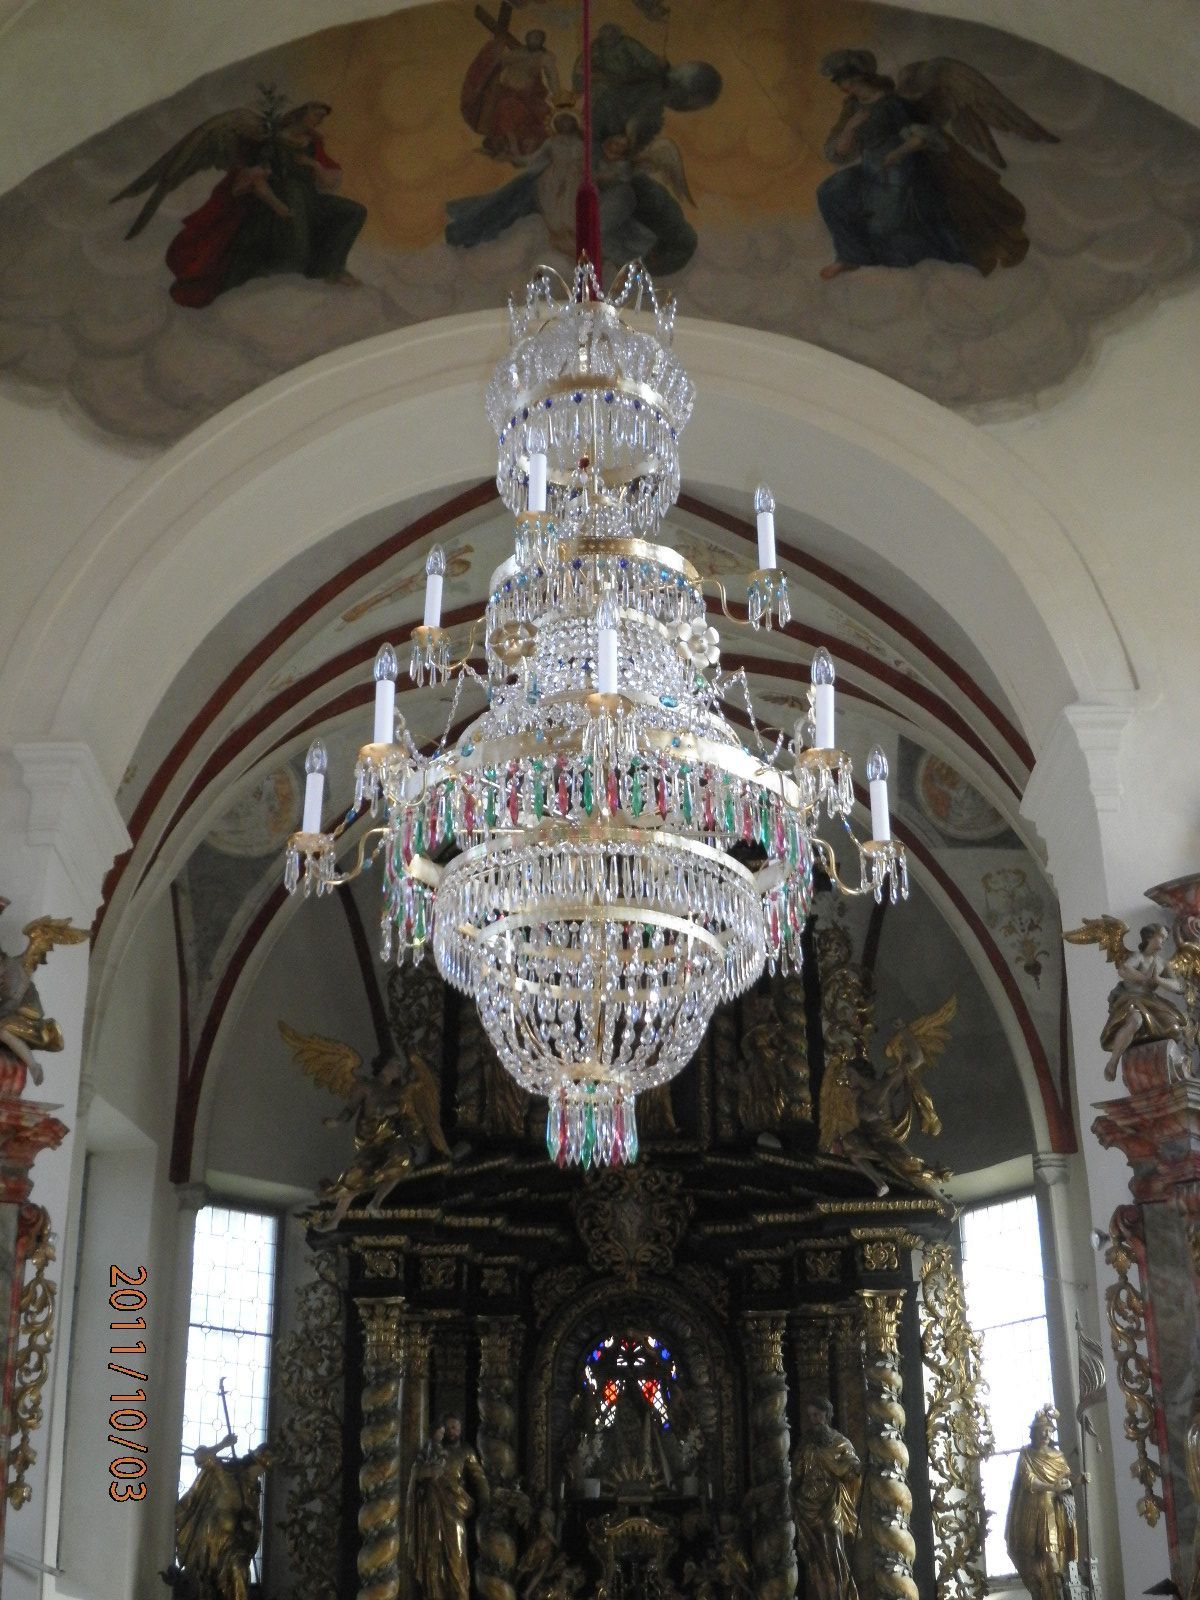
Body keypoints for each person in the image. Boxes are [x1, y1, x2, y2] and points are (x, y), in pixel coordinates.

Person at [816, 53, 1028, 280]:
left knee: (883, 227)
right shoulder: (853, 107)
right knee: (830, 191)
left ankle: (920, 259)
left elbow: (923, 137)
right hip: (871, 170)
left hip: (902, 171)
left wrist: (896, 154)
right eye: (838, 80)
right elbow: (838, 154)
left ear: (861, 76)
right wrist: (849, 129)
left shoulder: (893, 104)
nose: (841, 85)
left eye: (845, 78)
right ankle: (849, 256)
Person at [166, 102, 366, 307]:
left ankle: (329, 269)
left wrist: (314, 165)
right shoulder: (270, 141)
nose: (319, 120)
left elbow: (327, 182)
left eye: (322, 117)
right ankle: (284, 288)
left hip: (309, 201)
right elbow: (256, 180)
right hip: (277, 203)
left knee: (353, 212)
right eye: (317, 114)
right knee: (295, 250)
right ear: (302, 113)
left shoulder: (312, 142)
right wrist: (278, 205)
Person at [172, 1431, 274, 1600]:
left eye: (263, 1470)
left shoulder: (252, 1492)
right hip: (208, 1542)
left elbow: (253, 1524)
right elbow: (201, 1457)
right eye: (260, 1468)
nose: (260, 1473)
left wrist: (249, 1526)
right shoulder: (226, 1474)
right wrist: (223, 1445)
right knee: (202, 1589)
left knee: (238, 1570)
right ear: (252, 1462)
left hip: (233, 1546)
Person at [409, 1414, 490, 1600]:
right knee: (432, 1554)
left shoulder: (465, 1451)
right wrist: (426, 1473)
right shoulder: (431, 1451)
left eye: (455, 1427)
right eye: (449, 1427)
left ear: (460, 1430)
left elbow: (479, 1479)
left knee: (456, 1557)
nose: (452, 1431)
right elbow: (417, 1473)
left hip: (454, 1509)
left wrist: (486, 1503)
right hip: (432, 1507)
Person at [789, 1396, 861, 1600]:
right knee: (815, 1553)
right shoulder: (805, 1443)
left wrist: (854, 1469)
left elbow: (852, 1464)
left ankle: (840, 1591)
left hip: (832, 1498)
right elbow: (797, 1473)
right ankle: (822, 1593)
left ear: (827, 1415)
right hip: (808, 1501)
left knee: (835, 1545)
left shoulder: (840, 1442)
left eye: (818, 1415)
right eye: (811, 1416)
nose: (815, 1420)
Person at [1004, 1407, 1078, 1600]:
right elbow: (1029, 1481)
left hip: (1051, 1512)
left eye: (1049, 1430)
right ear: (1034, 1432)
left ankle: (1059, 1595)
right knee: (1031, 1562)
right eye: (1042, 1430)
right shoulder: (1026, 1455)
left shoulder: (1058, 1457)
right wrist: (1052, 1486)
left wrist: (1078, 1481)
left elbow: (1066, 1482)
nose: (1046, 1434)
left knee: (1052, 1559)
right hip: (1029, 1513)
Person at [1100, 923, 1188, 1079]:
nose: (1163, 941)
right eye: (1161, 937)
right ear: (1149, 937)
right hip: (1130, 998)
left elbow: (1179, 986)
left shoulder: (1162, 963)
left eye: (1165, 939)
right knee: (1135, 1021)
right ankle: (1113, 1062)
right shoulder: (1138, 957)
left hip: (1150, 1001)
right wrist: (1143, 977)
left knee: (1174, 1029)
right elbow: (1124, 970)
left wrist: (1158, 980)